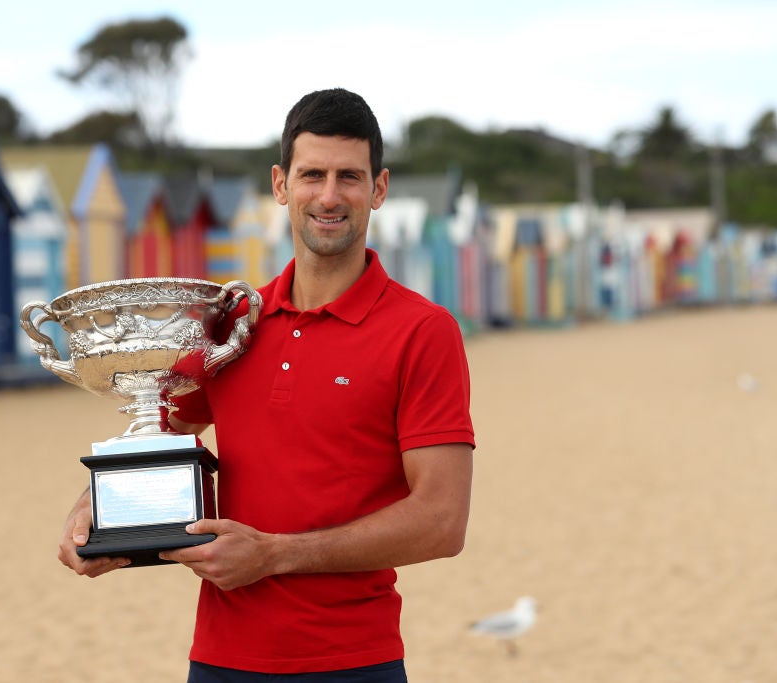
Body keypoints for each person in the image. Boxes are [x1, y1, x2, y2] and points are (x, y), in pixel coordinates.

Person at [57, 88, 476, 682]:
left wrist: (275, 555)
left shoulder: (422, 331)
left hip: (354, 661)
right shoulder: (230, 325)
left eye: (349, 177)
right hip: (221, 660)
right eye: (312, 176)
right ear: (281, 184)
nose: (329, 197)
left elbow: (442, 521)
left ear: (378, 189)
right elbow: (156, 426)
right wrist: (93, 516)